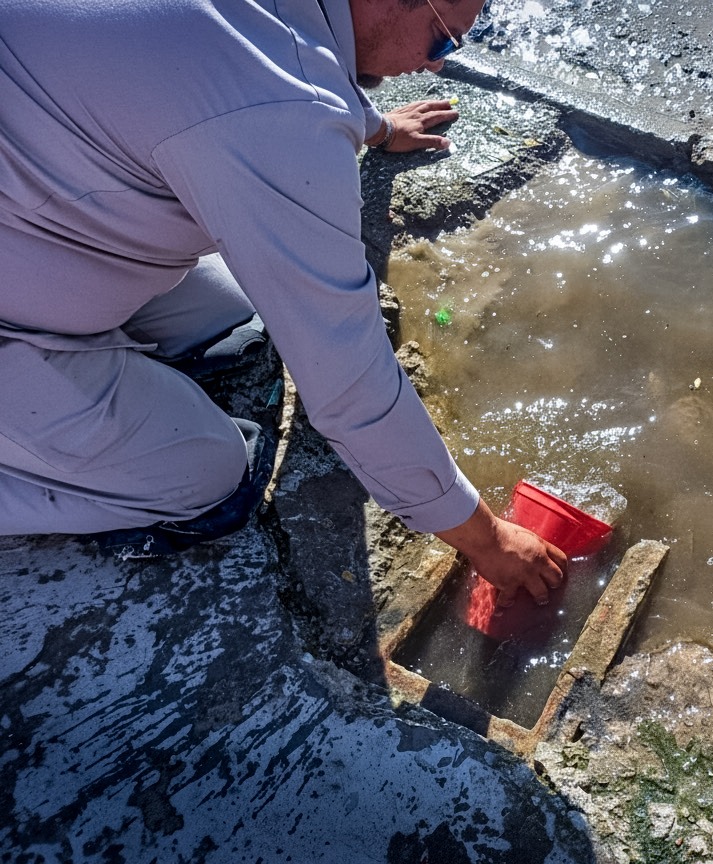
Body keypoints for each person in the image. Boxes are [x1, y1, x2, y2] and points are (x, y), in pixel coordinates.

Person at [0, 0, 567, 607]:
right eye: (441, 38)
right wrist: (485, 538)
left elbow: (271, 62)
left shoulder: (260, 45)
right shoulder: (278, 116)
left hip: (34, 227)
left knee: (236, 317)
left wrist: (372, 126)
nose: (434, 65)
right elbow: (349, 385)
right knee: (211, 479)